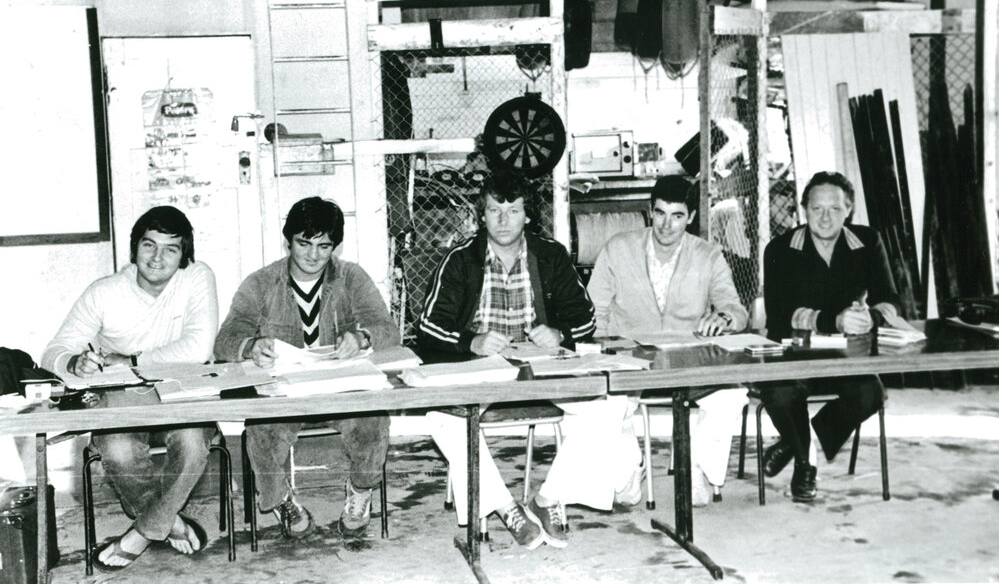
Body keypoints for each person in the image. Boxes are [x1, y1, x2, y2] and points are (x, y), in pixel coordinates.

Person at [417, 174, 642, 551]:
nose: (503, 220)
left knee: (609, 405)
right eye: (494, 211)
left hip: (541, 367)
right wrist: (471, 341)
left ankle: (549, 498)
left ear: (528, 216)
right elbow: (427, 326)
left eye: (512, 211)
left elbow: (585, 317)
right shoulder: (460, 259)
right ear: (482, 216)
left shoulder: (550, 254)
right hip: (482, 367)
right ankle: (505, 507)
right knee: (444, 416)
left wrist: (560, 334)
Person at [41, 206, 219, 571]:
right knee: (118, 447)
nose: (157, 258)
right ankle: (169, 521)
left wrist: (132, 360)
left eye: (170, 249)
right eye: (149, 245)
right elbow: (52, 352)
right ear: (134, 248)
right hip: (122, 395)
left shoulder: (197, 277)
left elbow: (198, 349)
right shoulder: (105, 292)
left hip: (181, 389)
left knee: (192, 442)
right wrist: (74, 363)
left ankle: (141, 533)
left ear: (184, 254)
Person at [214, 197, 399, 539]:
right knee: (260, 430)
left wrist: (361, 338)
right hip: (284, 395)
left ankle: (360, 489)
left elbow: (389, 331)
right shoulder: (261, 283)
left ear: (334, 246)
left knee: (374, 418)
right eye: (304, 244)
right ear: (288, 241)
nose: (313, 255)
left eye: (323, 246)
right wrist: (251, 347)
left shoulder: (351, 277)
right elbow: (224, 341)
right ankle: (281, 500)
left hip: (340, 391)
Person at [587, 175, 749, 506]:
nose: (666, 225)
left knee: (732, 396)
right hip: (630, 357)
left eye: (677, 216)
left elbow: (735, 309)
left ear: (691, 217)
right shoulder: (618, 248)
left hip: (689, 357)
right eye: (660, 213)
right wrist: (603, 351)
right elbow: (594, 310)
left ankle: (695, 467)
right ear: (650, 211)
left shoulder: (708, 255)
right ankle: (629, 469)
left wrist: (723, 318)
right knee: (607, 404)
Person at [761, 171, 900, 502]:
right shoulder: (779, 248)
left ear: (848, 210)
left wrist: (870, 317)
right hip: (793, 353)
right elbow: (778, 314)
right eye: (817, 208)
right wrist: (833, 320)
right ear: (803, 210)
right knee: (779, 394)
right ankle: (804, 464)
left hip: (843, 355)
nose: (825, 217)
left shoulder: (867, 241)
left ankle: (797, 440)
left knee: (871, 394)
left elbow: (892, 300)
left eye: (835, 209)